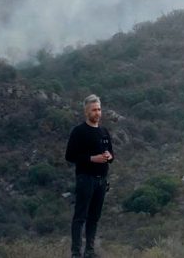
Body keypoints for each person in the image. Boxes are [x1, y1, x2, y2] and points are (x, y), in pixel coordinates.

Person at [65, 94, 114, 258]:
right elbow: (70, 156)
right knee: (80, 217)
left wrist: (109, 156)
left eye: (99, 109)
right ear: (87, 111)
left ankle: (90, 251)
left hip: (101, 181)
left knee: (94, 217)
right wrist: (92, 158)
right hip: (85, 178)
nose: (97, 113)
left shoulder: (104, 131)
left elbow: (112, 155)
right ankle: (76, 253)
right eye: (94, 110)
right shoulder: (79, 131)